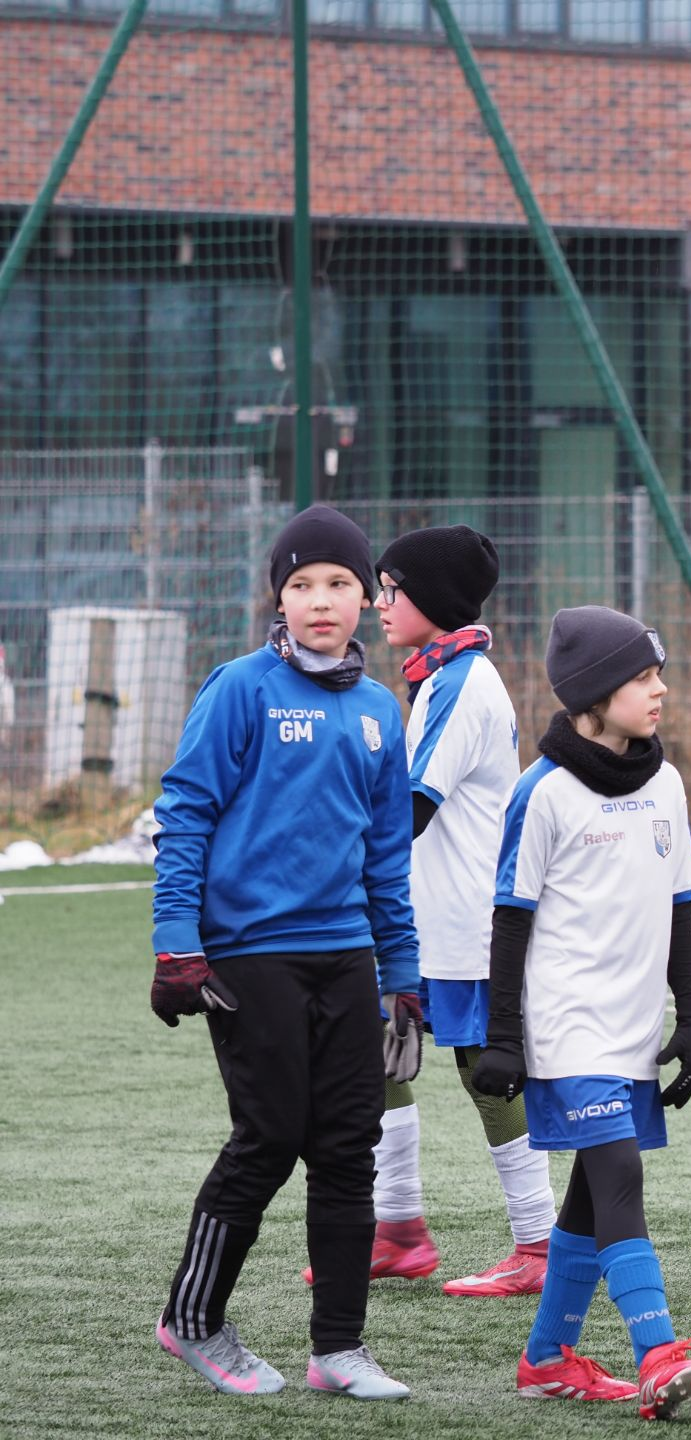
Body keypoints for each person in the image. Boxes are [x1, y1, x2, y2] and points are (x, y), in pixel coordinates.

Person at [150, 503, 418, 1401]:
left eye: (340, 583)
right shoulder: (240, 688)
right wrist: (176, 944)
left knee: (348, 1149)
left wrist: (403, 973)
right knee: (267, 1138)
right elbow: (185, 815)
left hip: (346, 956)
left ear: (366, 598)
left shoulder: (379, 710)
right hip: (248, 955)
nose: (321, 600)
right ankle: (191, 1320)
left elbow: (387, 854)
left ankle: (339, 1348)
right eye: (302, 584)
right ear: (280, 598)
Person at [468, 606, 691, 1419]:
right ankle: (658, 1354)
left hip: (633, 1029)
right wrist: (503, 1039)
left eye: (659, 675)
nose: (660, 690)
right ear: (594, 696)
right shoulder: (541, 792)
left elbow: (679, 906)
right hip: (567, 1029)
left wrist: (690, 1020)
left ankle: (545, 1358)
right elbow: (509, 920)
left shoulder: (666, 783)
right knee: (620, 1175)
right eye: (642, 678)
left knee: (587, 1194)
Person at [345, 524, 558, 1298]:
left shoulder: (462, 682)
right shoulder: (443, 675)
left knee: (483, 1073)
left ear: (432, 598)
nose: (377, 602)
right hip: (425, 917)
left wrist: (316, 852)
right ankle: (399, 1229)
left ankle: (538, 1245)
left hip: (466, 922)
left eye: (391, 589)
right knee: (376, 1050)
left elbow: (410, 807)